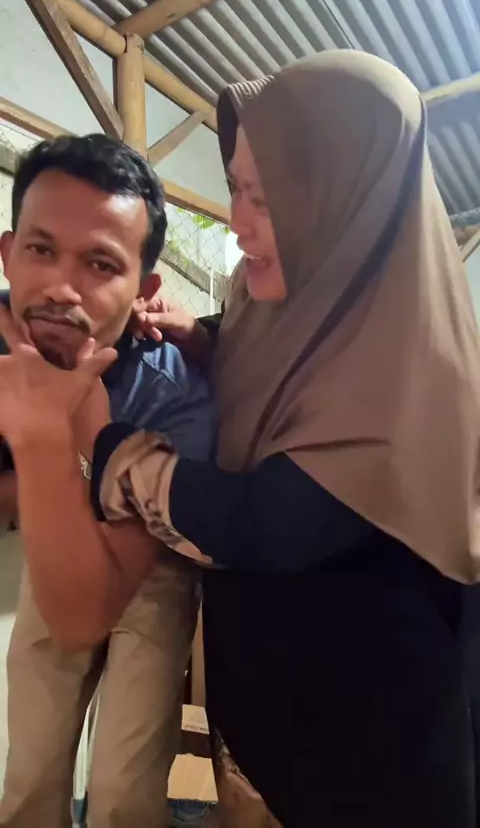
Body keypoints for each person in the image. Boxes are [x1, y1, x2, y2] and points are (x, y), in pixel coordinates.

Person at [0, 51, 478, 828]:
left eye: (268, 197)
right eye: (236, 189)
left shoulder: (412, 370)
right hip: (261, 713)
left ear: (345, 200)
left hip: (363, 742)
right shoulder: (280, 309)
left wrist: (96, 436)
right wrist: (203, 335)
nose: (238, 221)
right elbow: (260, 355)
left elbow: (262, 523)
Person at [0, 134, 215, 828]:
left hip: (153, 565)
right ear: (8, 254)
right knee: (31, 769)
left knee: (126, 782)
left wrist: (49, 448)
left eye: (99, 264)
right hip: (55, 549)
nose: (61, 288)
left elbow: (135, 551)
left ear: (145, 291)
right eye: (41, 250)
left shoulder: (174, 393)